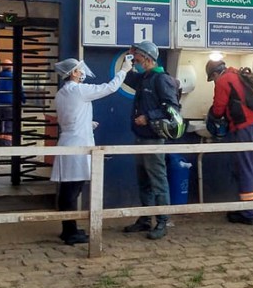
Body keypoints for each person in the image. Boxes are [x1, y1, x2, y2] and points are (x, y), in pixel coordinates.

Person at [51, 56, 132, 245]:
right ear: (73, 73)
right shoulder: (78, 90)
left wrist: (87, 123)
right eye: (79, 70)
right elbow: (109, 87)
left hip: (68, 141)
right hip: (78, 145)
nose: (83, 72)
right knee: (72, 190)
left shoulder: (62, 93)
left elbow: (69, 117)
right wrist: (124, 70)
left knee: (68, 189)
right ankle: (70, 233)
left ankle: (68, 228)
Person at [122, 41, 181, 240]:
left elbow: (173, 107)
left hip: (153, 139)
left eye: (138, 56)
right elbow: (127, 77)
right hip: (141, 138)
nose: (136, 60)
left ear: (147, 57)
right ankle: (146, 219)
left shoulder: (160, 79)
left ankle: (163, 221)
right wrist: (127, 56)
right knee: (144, 181)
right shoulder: (144, 77)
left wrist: (148, 117)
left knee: (157, 180)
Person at [205, 59, 253, 226]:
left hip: (246, 127)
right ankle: (251, 205)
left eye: (212, 78)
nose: (214, 81)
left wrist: (212, 116)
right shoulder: (242, 75)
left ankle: (248, 213)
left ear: (214, 74)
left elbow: (218, 109)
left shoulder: (223, 80)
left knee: (245, 166)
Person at [0, 58, 26, 146]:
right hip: (10, 105)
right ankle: (7, 143)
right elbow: (20, 90)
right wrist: (23, 100)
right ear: (11, 68)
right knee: (9, 124)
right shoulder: (14, 78)